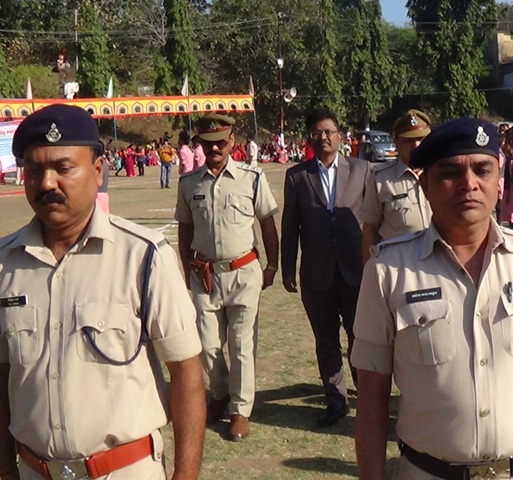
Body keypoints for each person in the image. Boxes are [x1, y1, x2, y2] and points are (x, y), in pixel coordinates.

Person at [352, 118, 513, 480]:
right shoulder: (387, 271)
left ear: (499, 181)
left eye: (482, 170)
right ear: (425, 185)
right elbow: (371, 398)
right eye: (450, 172)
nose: (469, 184)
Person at [0, 104, 205, 480]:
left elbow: (185, 370)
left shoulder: (143, 256)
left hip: (125, 470)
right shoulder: (4, 264)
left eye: (63, 168)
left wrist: (186, 474)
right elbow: (2, 377)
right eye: (34, 170)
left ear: (98, 171)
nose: (47, 183)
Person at [175, 113, 279, 442]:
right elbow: (185, 228)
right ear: (200, 146)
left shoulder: (251, 178)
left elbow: (267, 222)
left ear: (232, 141)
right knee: (206, 345)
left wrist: (272, 266)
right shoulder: (189, 183)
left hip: (243, 273)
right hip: (205, 275)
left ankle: (240, 410)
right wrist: (186, 268)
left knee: (241, 345)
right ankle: (220, 392)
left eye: (220, 142)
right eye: (208, 144)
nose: (215, 149)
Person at [281, 107, 370, 427]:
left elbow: (374, 220)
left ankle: (367, 394)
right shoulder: (297, 176)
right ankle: (336, 399)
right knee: (326, 339)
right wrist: (287, 268)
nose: (324, 137)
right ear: (309, 138)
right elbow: (290, 226)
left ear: (340, 136)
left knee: (360, 337)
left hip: (357, 271)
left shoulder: (362, 170)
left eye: (329, 132)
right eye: (317, 133)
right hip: (317, 274)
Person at [361, 109, 432, 262]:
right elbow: (370, 230)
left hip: (439, 265)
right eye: (408, 140)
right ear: (396, 143)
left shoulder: (443, 173)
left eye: (421, 139)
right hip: (399, 267)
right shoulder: (381, 179)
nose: (416, 145)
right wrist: (370, 269)